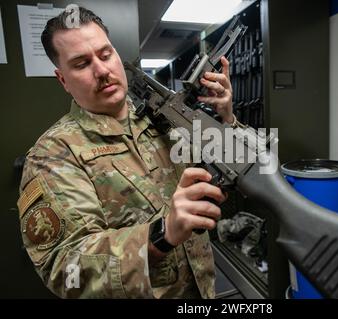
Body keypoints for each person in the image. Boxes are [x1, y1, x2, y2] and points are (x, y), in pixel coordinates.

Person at [17, 6, 238, 298]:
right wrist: (162, 233)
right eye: (82, 64)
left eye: (105, 54)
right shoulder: (53, 155)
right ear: (63, 80)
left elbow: (232, 174)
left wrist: (224, 119)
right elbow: (64, 269)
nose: (102, 71)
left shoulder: (163, 118)